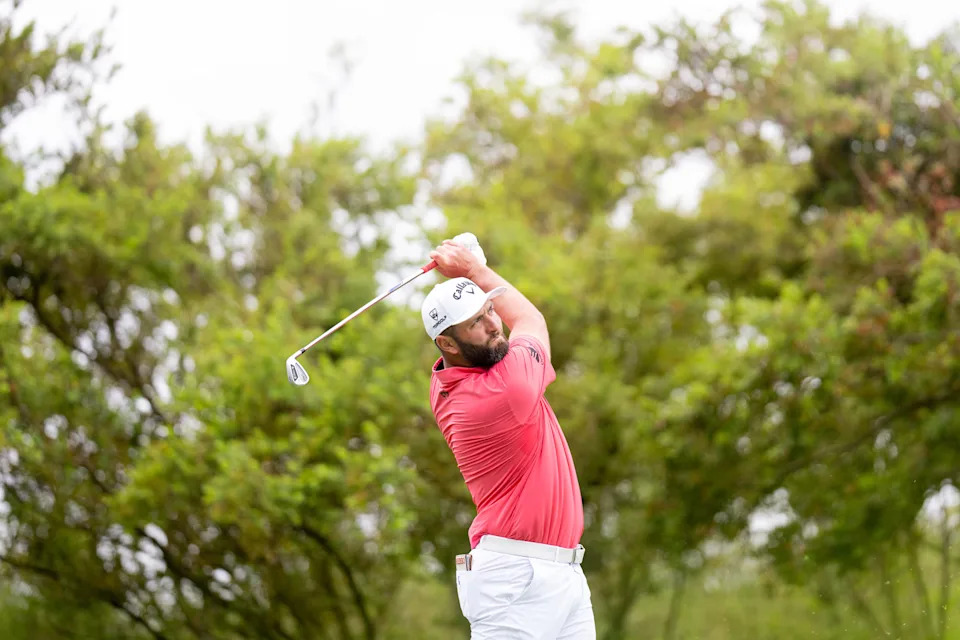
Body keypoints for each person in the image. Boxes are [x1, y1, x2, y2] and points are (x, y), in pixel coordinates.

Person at [420, 235, 595, 639]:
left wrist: (470, 279)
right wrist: (473, 270)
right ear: (447, 343)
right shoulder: (504, 389)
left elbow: (508, 322)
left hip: (563, 572)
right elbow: (532, 320)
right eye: (475, 324)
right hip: (515, 579)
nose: (493, 325)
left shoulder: (445, 380)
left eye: (489, 310)